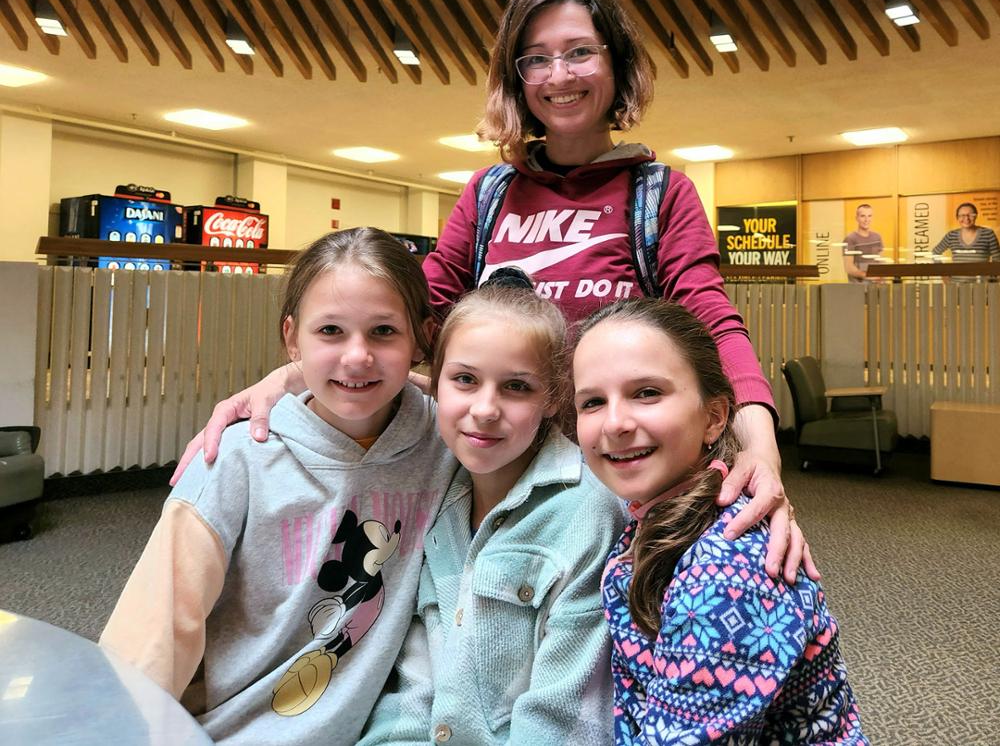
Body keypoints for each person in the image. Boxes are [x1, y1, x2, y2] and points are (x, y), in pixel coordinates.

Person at [178, 0, 812, 583]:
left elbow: (711, 323)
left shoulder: (659, 194)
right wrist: (289, 377)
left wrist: (760, 446)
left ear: (616, 64)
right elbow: (409, 319)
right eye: (535, 58)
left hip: (610, 477)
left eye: (579, 53)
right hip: (498, 468)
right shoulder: (489, 194)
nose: (558, 76)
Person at [100, 228, 457, 745]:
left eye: (383, 332)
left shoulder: (450, 445)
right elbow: (148, 646)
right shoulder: (237, 459)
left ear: (421, 336)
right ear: (292, 338)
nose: (357, 356)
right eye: (330, 331)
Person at [573, 299, 868, 745]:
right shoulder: (661, 514)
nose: (614, 423)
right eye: (592, 401)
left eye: (647, 392)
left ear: (714, 418)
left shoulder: (726, 571)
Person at [359, 268, 623, 745]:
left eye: (516, 387)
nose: (485, 408)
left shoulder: (589, 513)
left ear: (553, 397)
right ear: (435, 386)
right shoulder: (435, 494)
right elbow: (413, 691)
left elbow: (564, 717)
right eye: (464, 380)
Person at [931, 202, 1000, 263]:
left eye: (970, 215)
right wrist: (943, 273)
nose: (966, 218)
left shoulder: (988, 234)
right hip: (956, 278)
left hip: (981, 278)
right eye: (962, 215)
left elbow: (997, 257)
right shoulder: (951, 235)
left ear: (976, 216)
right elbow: (935, 253)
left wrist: (992, 277)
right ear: (957, 218)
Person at [843, 203, 884, 282]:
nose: (866, 220)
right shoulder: (850, 239)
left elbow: (880, 261)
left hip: (877, 287)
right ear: (857, 218)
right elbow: (848, 267)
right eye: (863, 216)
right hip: (858, 289)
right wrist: (867, 276)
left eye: (869, 216)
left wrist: (881, 278)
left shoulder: (877, 237)